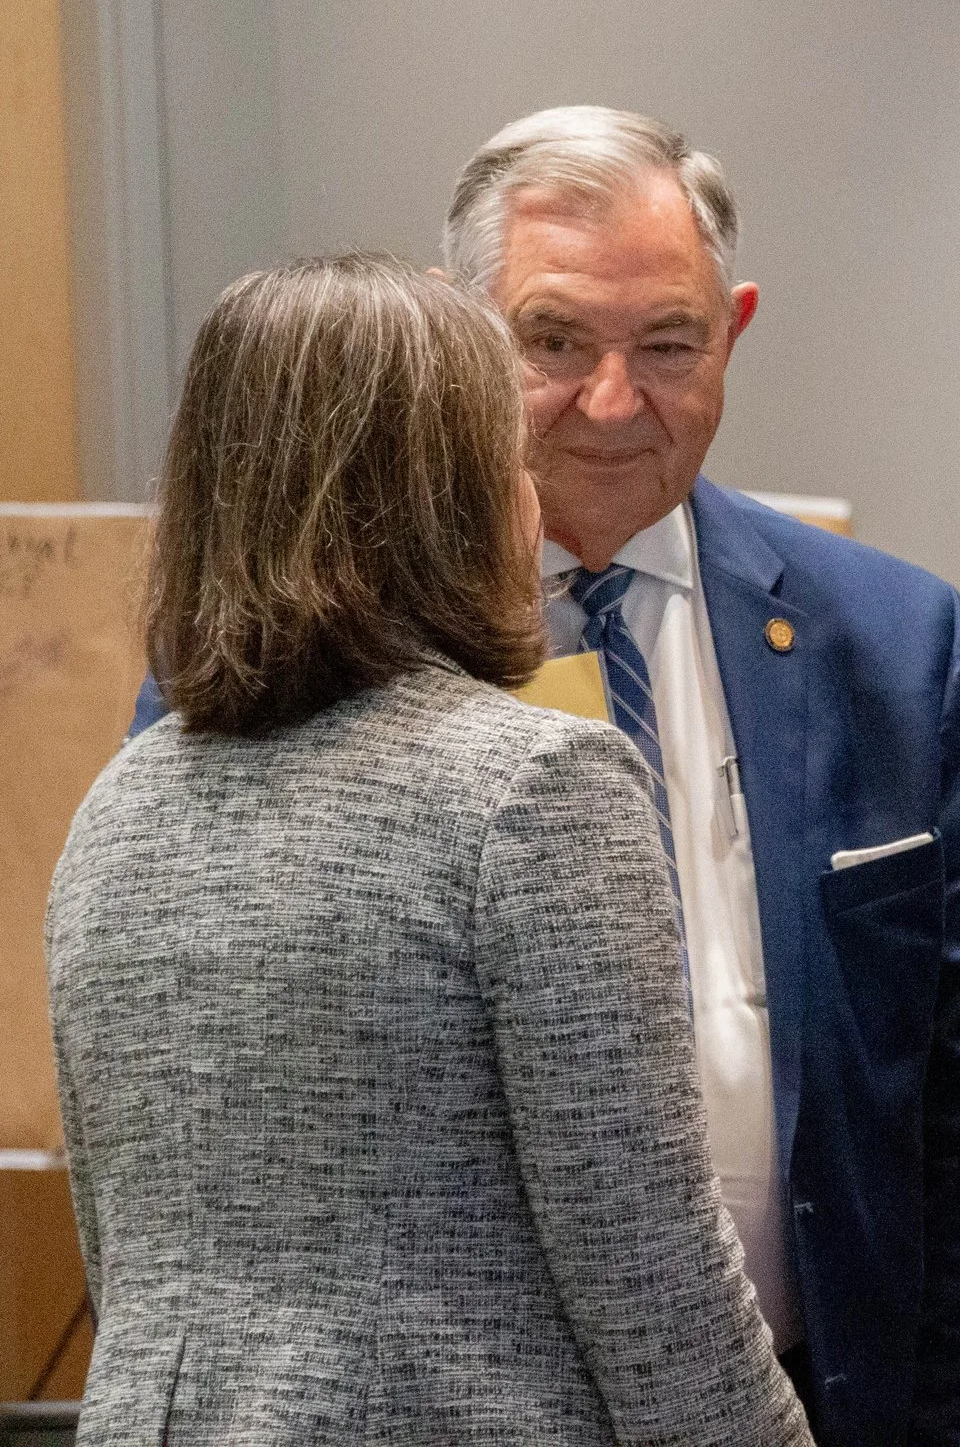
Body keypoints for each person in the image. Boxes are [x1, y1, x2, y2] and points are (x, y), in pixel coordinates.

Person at [127, 108, 960, 1446]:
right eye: (553, 342)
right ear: (457, 334)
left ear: (733, 329)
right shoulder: (288, 648)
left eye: (668, 344)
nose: (614, 401)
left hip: (811, 1401)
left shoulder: (888, 645)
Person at [49, 255, 810, 1443]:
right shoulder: (533, 789)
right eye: (511, 459)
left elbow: (125, 1259)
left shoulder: (119, 808)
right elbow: (655, 1288)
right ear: (447, 498)